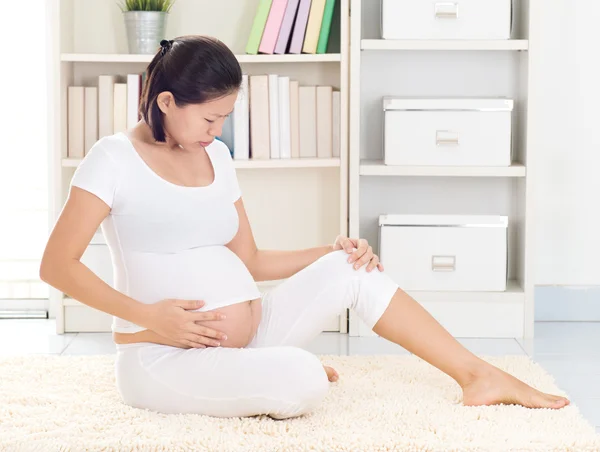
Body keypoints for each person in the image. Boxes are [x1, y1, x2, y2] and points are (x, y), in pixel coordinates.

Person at [40, 35, 569, 419]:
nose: (217, 131)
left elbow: (251, 261)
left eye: (225, 118)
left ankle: (477, 375)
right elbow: (56, 265)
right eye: (208, 119)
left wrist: (331, 250)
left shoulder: (217, 158)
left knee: (349, 267)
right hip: (163, 356)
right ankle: (280, 368)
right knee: (303, 381)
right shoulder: (112, 159)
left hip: (249, 338)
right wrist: (148, 316)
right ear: (165, 102)